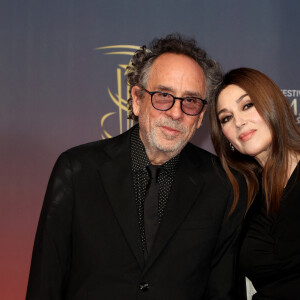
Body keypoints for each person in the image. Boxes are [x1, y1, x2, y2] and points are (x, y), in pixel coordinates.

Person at [26, 33, 245, 300]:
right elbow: (46, 282)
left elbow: (222, 291)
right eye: (164, 95)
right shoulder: (77, 169)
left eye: (190, 101)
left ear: (200, 117)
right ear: (138, 99)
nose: (176, 113)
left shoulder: (223, 183)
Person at [209, 67, 300, 299]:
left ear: (272, 105)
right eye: (226, 118)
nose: (239, 122)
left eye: (247, 105)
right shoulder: (242, 199)